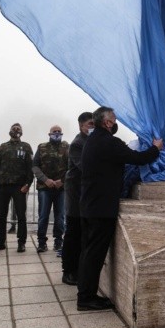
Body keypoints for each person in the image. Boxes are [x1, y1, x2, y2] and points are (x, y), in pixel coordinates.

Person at [77, 106, 162, 311]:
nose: (115, 122)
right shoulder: (109, 142)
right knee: (95, 254)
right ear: (107, 122)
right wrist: (156, 148)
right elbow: (137, 158)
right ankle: (86, 298)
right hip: (101, 208)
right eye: (114, 119)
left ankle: (85, 294)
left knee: (88, 252)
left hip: (89, 205)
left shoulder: (92, 141)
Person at [0, 123, 34, 253]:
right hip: (2, 186)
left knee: (21, 215)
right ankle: (0, 242)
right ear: (9, 132)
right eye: (14, 129)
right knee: (0, 215)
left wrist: (28, 184)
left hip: (19, 187)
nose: (16, 130)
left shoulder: (26, 147)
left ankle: (21, 243)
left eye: (18, 129)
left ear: (22, 132)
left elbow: (30, 167)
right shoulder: (3, 147)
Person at [62, 111, 94, 286]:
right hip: (75, 194)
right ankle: (68, 271)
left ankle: (79, 269)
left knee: (83, 234)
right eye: (90, 124)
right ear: (81, 126)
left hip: (86, 195)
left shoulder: (91, 141)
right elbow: (85, 166)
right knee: (73, 233)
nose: (92, 127)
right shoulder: (77, 144)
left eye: (94, 124)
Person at [33, 125, 69, 253]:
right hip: (45, 188)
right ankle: (42, 242)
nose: (57, 133)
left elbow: (72, 166)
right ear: (49, 134)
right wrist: (45, 179)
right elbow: (35, 166)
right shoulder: (42, 147)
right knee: (43, 216)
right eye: (54, 132)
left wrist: (62, 181)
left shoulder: (67, 147)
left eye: (59, 131)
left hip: (61, 188)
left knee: (60, 217)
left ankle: (58, 242)